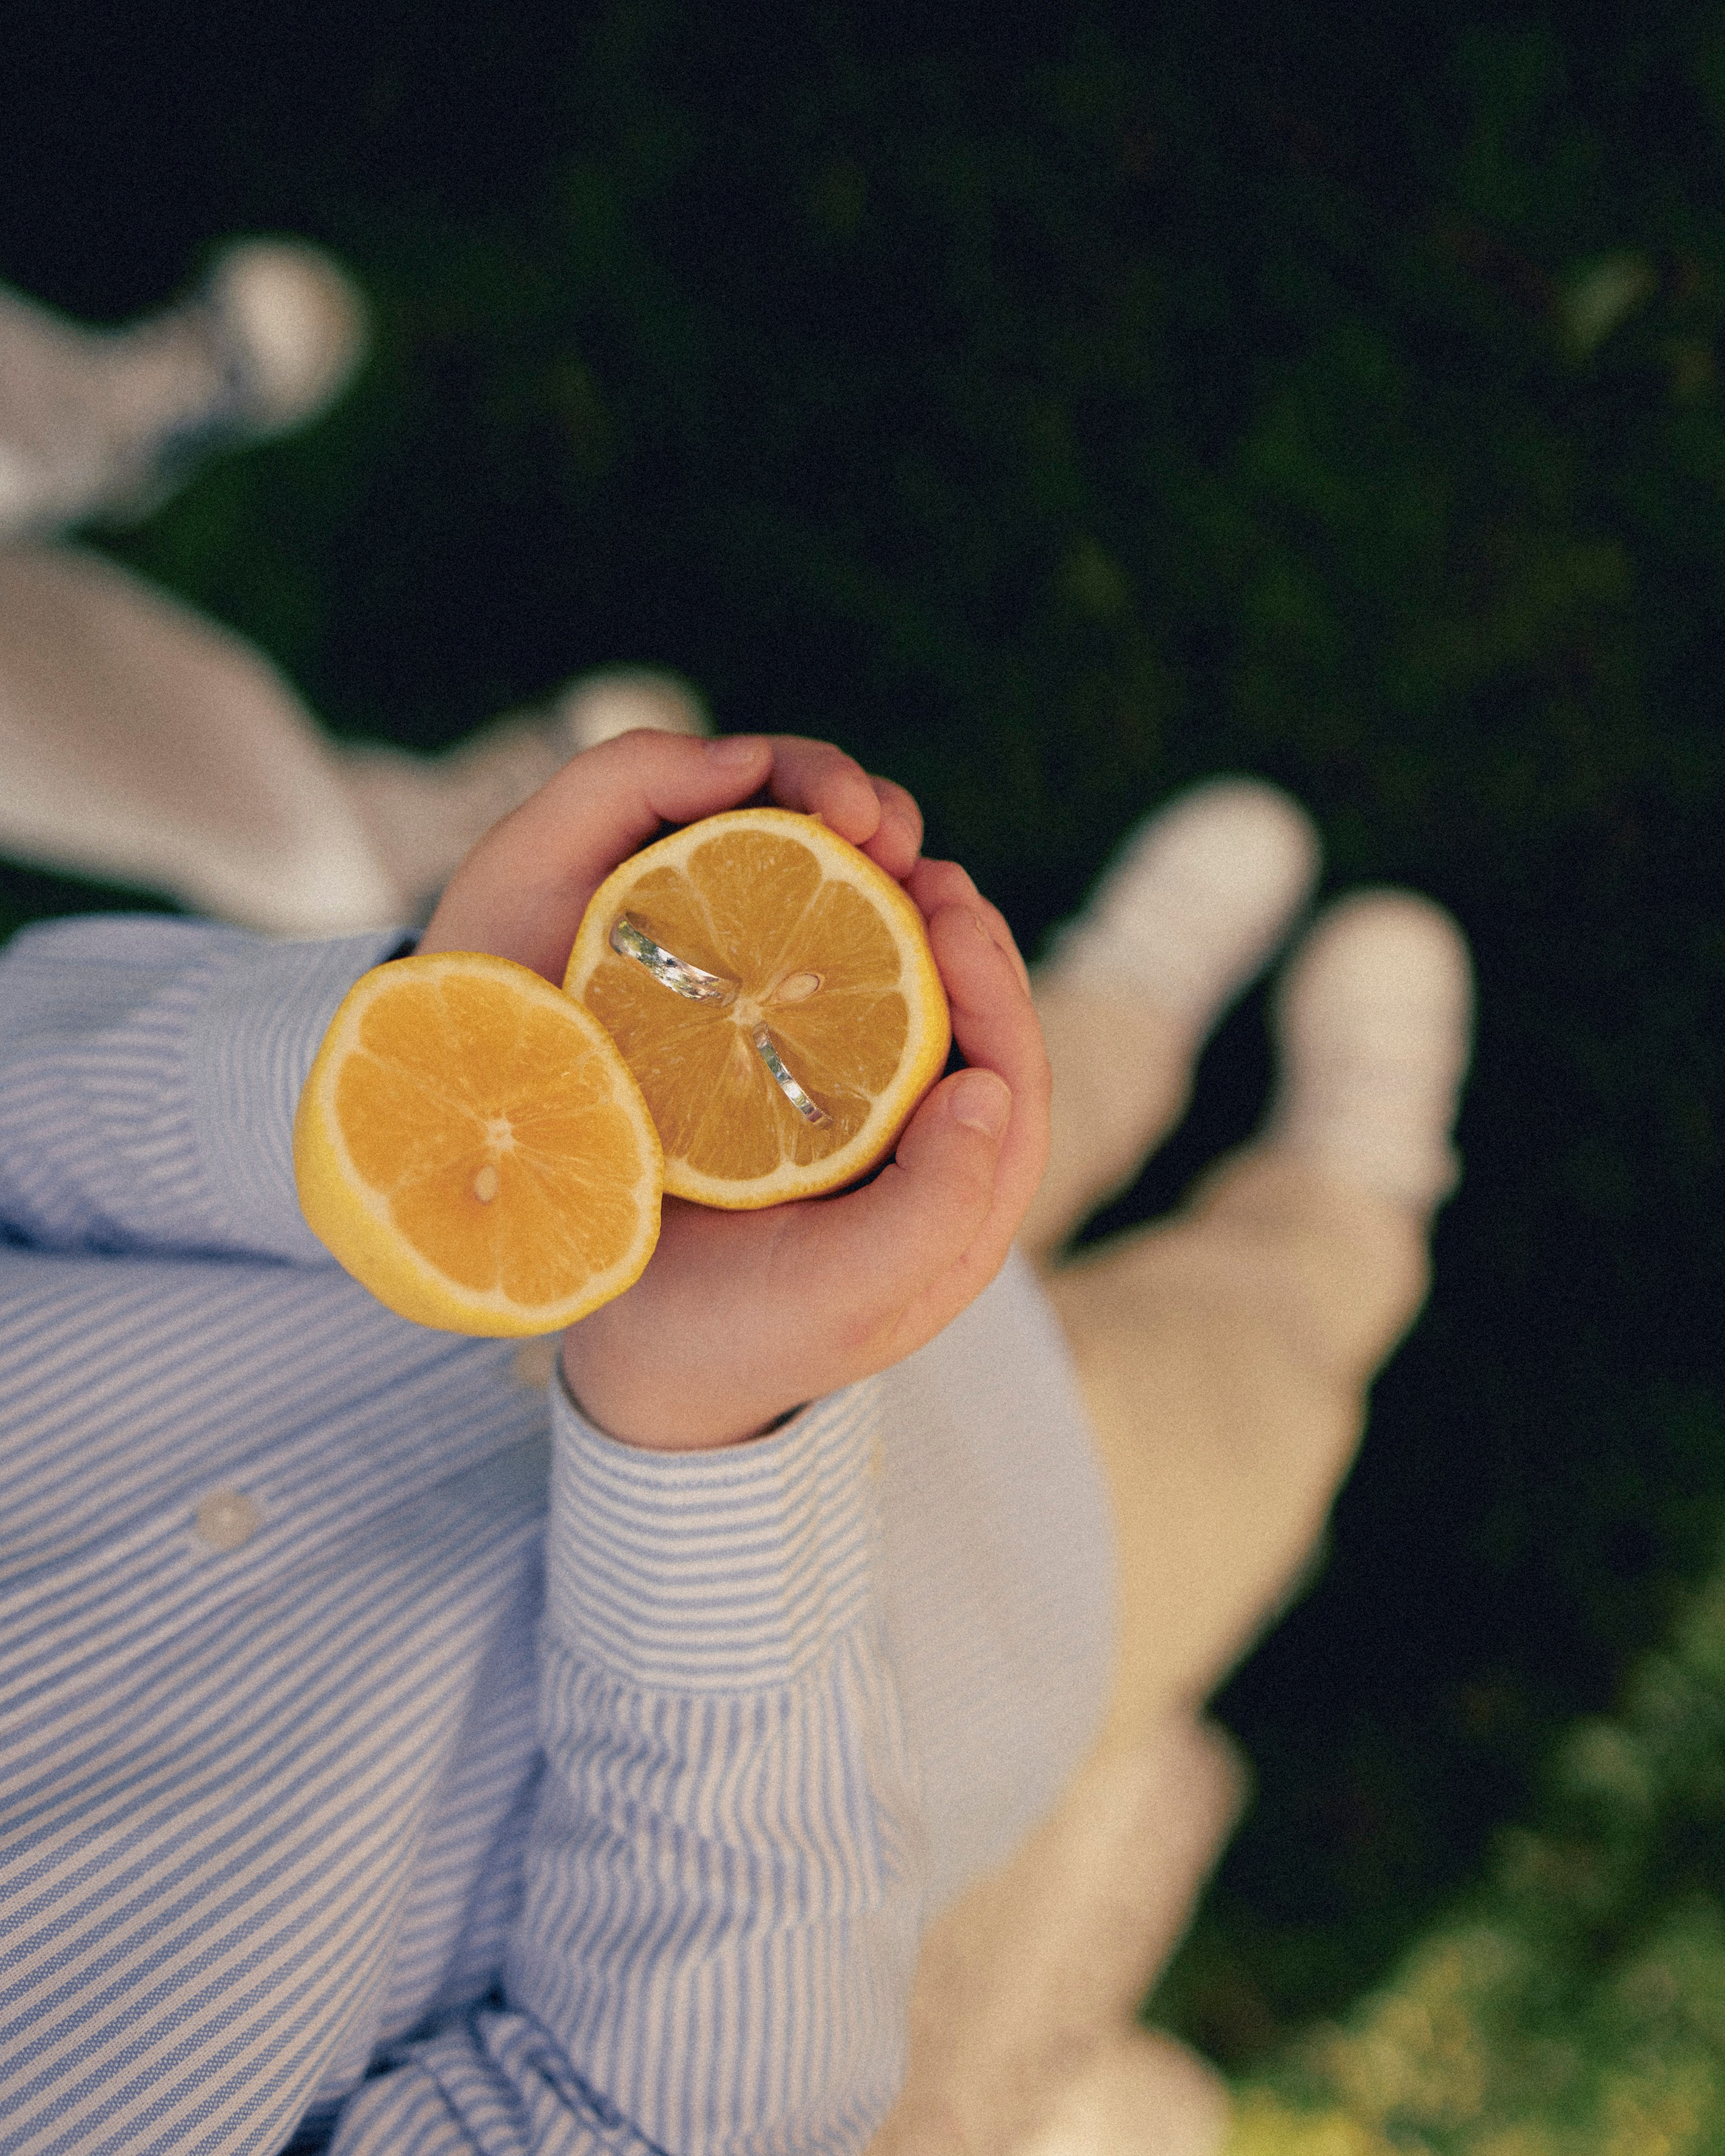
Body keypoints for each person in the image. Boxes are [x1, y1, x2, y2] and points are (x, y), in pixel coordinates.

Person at [0, 715, 1470, 2155]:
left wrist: (414, 1055)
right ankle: (1351, 1186)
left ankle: (1134, 995)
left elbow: (24, 1118)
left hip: (655, 1115)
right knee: (1253, 1371)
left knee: (978, 1063)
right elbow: (650, 2114)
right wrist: (696, 1431)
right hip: (955, 1602)